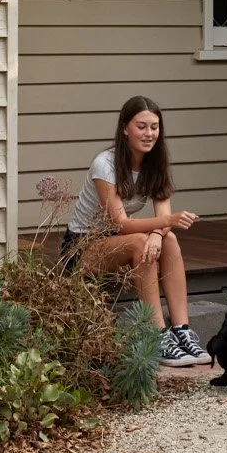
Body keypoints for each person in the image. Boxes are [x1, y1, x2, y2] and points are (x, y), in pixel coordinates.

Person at [61, 95, 210, 366]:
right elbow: (121, 223)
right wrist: (163, 225)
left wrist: (159, 232)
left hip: (120, 242)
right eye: (141, 126)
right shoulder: (104, 165)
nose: (149, 133)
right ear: (125, 128)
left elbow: (164, 217)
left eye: (154, 127)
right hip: (82, 248)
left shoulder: (156, 162)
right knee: (143, 241)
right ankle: (156, 335)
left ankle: (182, 330)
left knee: (169, 239)